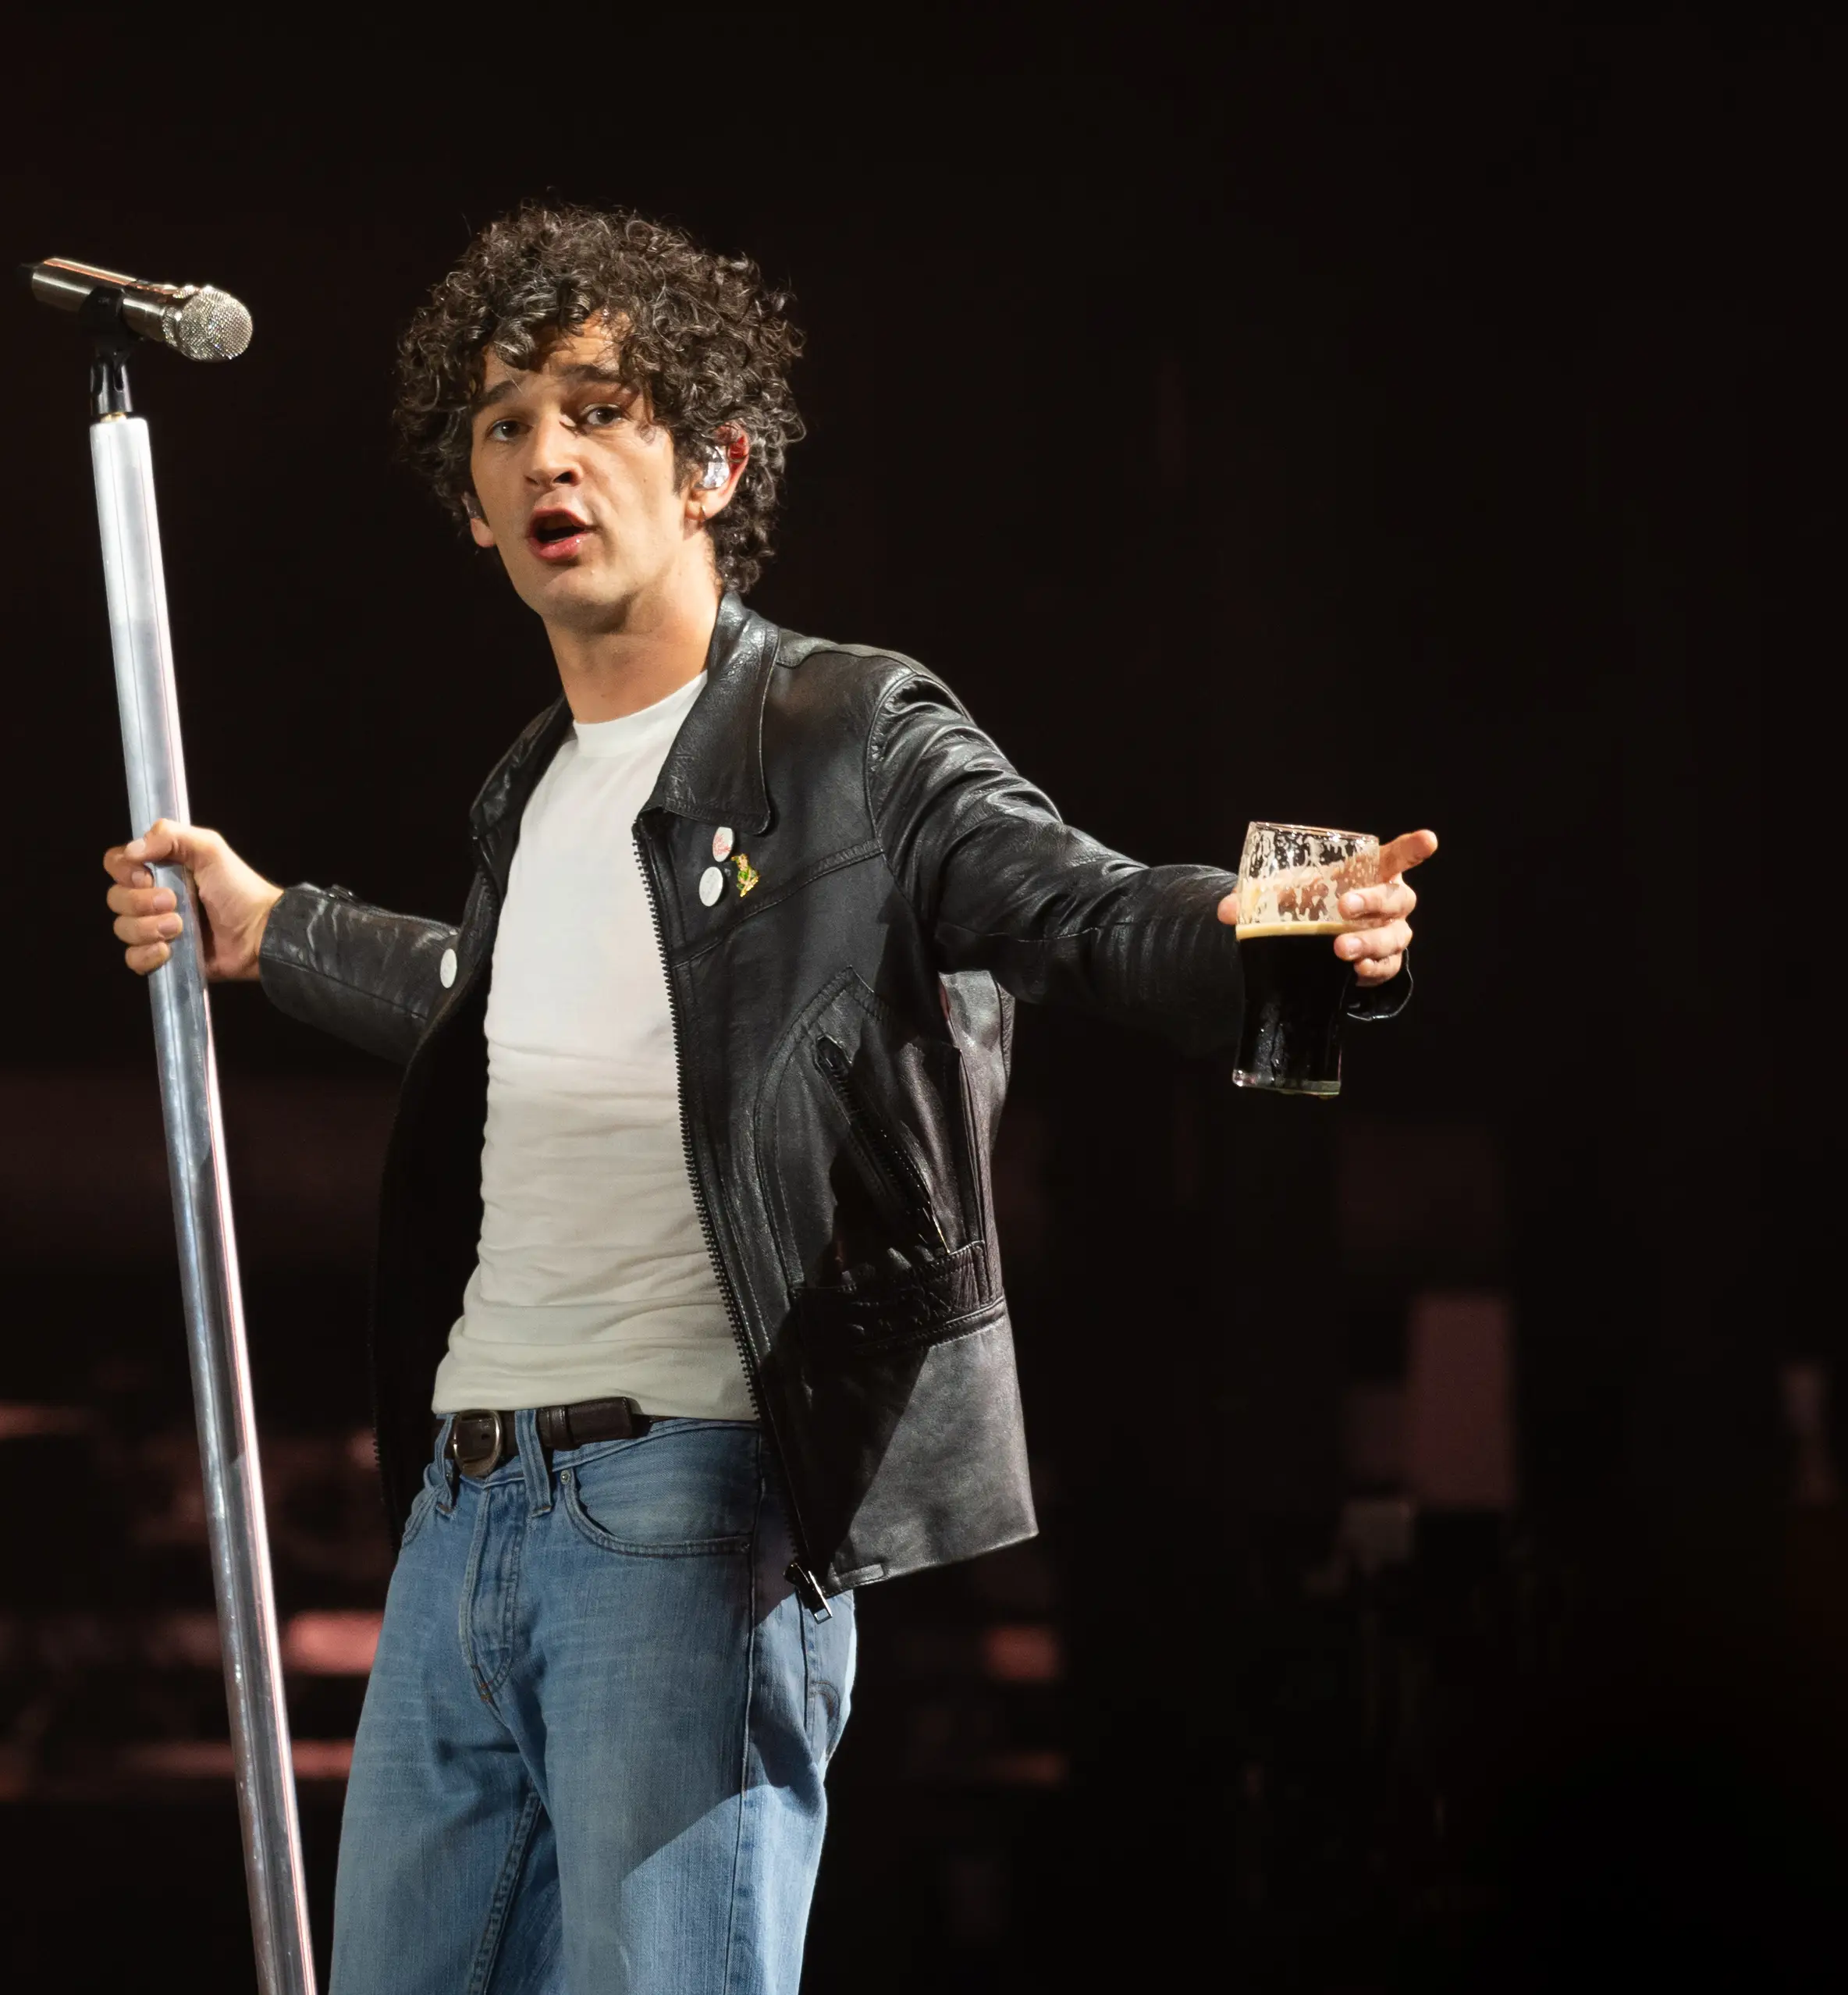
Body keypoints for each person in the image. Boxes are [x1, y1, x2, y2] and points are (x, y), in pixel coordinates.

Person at [98, 205, 1433, 1995]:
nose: (546, 454)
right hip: (463, 1511)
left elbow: (1077, 905)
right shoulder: (532, 795)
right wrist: (275, 932)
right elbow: (485, 1013)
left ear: (715, 460)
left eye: (598, 409)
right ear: (471, 500)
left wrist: (1262, 933)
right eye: (503, 425)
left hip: (685, 1513)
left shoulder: (845, 732)